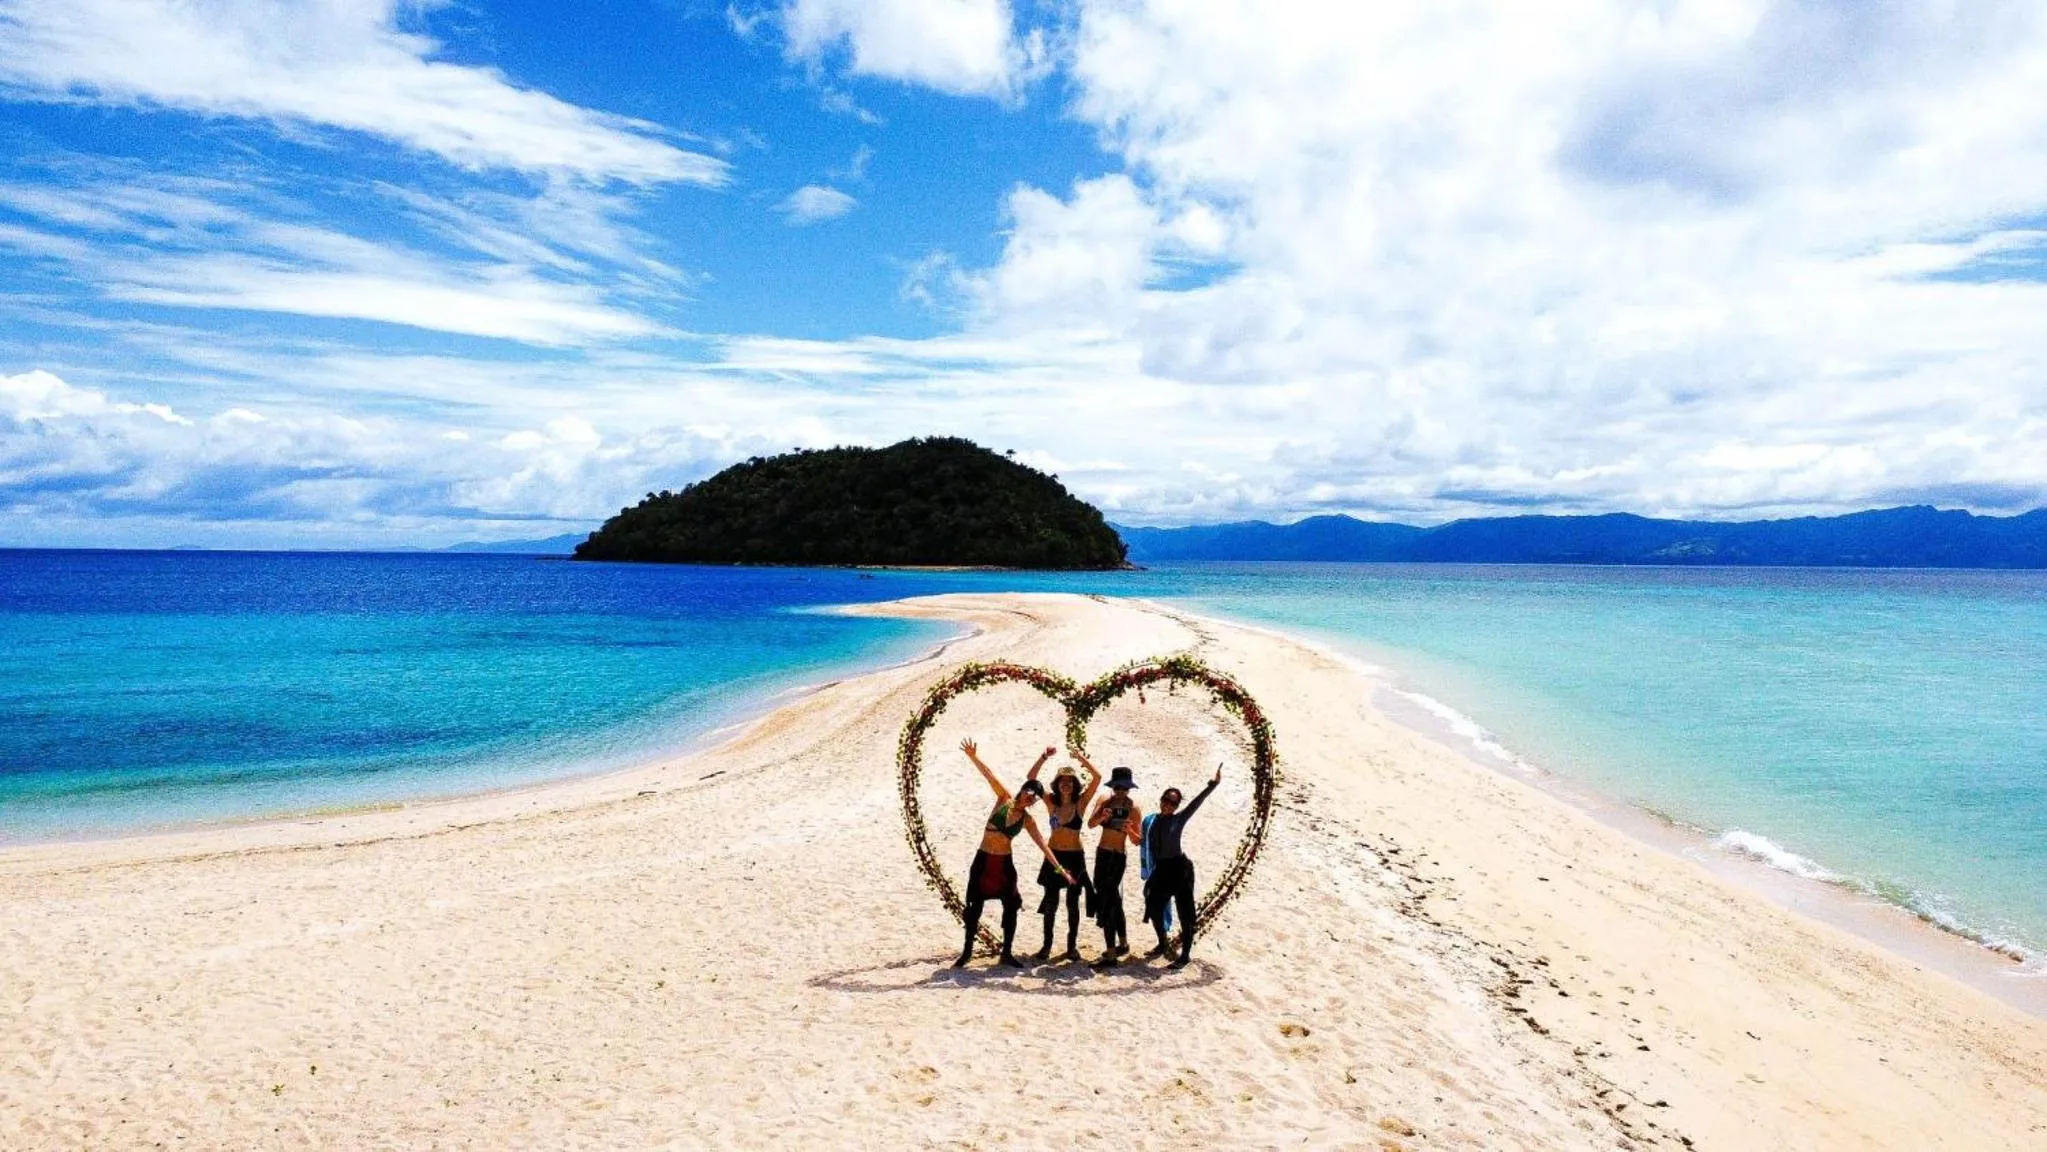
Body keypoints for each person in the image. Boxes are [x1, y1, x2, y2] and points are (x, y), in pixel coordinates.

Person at [955, 738, 1072, 968]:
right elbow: (989, 775)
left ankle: (1006, 952)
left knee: (1010, 906)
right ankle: (967, 951)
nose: (1030, 799)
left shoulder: (1027, 820)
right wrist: (973, 756)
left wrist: (1060, 869)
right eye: (1029, 793)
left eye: (1034, 799)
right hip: (984, 861)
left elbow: (1043, 845)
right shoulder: (1004, 799)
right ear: (1022, 791)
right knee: (973, 907)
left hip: (1004, 866)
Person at [1143, 765, 1222, 969]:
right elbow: (1144, 843)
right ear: (1161, 800)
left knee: (1185, 911)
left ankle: (1185, 955)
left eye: (1173, 802)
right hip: (1161, 869)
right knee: (1153, 905)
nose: (1168, 804)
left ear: (1177, 806)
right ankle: (1163, 943)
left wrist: (1212, 785)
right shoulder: (1153, 821)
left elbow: (1197, 803)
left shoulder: (1178, 819)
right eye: (1166, 800)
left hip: (1180, 870)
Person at [1031, 755, 1101, 962]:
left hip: (1074, 858)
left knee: (1072, 903)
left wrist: (1081, 758)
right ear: (1057, 784)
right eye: (1062, 781)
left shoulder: (1080, 804)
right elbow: (1031, 778)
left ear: (1075, 785)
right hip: (1054, 856)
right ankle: (1046, 946)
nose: (1066, 785)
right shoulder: (1050, 802)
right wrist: (1043, 757)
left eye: (1070, 782)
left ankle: (1071, 947)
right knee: (1051, 903)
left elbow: (1097, 778)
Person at [1086, 766, 1144, 967]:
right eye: (1118, 787)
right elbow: (1090, 824)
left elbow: (1138, 841)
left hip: (1117, 856)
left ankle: (1110, 952)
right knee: (1114, 900)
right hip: (1102, 853)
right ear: (1113, 786)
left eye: (1125, 788)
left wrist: (1129, 830)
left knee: (1108, 901)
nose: (1121, 792)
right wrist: (1103, 816)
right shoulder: (1104, 801)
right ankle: (1123, 943)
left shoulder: (1133, 808)